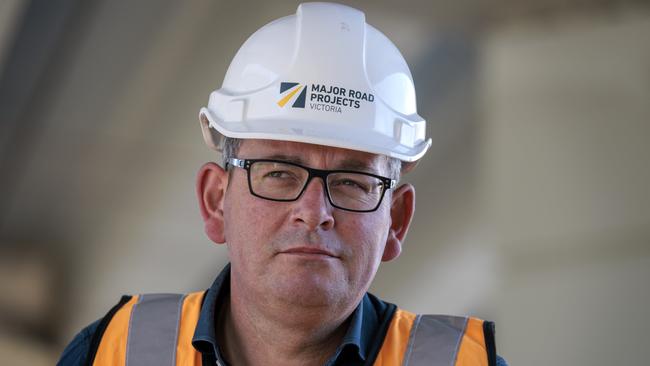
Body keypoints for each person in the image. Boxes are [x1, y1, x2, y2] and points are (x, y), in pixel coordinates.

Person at [58, 3, 507, 365]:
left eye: (353, 181)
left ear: (397, 221)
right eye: (278, 173)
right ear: (215, 202)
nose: (314, 211)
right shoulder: (113, 353)